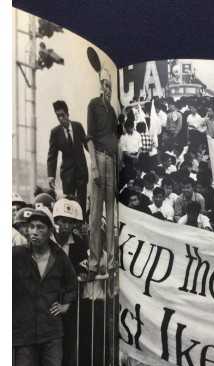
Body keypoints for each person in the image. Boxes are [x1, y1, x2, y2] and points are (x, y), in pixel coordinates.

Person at [13, 209, 77, 366]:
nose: (34, 231)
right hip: (23, 332)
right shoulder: (16, 256)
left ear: (49, 231)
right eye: (31, 227)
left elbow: (71, 285)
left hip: (52, 332)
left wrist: (65, 305)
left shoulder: (60, 257)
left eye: (40, 227)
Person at [53, 198, 88, 366]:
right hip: (50, 307)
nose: (65, 226)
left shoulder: (80, 245)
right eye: (62, 221)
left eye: (70, 221)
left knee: (70, 353)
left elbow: (83, 272)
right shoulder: (48, 242)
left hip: (72, 306)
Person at [87, 69, 118, 279]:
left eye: (110, 86)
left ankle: (110, 262)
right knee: (96, 215)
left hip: (111, 160)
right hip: (98, 157)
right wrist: (94, 166)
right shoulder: (93, 104)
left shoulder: (113, 111)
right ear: (100, 85)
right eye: (105, 85)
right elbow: (89, 137)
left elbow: (115, 140)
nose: (107, 89)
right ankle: (94, 262)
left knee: (111, 212)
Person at [47, 100, 89, 215]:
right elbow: (52, 155)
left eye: (62, 115)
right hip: (67, 175)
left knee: (82, 204)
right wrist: (51, 175)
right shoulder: (55, 132)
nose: (61, 118)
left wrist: (98, 156)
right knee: (69, 206)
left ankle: (83, 228)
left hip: (81, 172)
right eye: (58, 116)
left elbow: (87, 145)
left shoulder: (78, 127)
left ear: (67, 114)